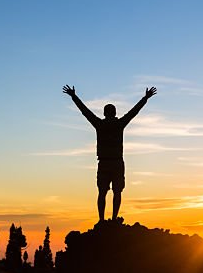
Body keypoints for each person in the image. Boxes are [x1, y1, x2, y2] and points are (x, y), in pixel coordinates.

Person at [62, 84, 157, 223]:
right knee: (116, 192)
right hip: (116, 162)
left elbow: (85, 111)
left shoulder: (100, 124)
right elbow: (133, 112)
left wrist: (74, 97)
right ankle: (112, 219)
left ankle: (102, 220)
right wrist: (145, 98)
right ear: (114, 113)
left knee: (102, 193)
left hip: (106, 162)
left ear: (105, 113)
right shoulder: (119, 124)